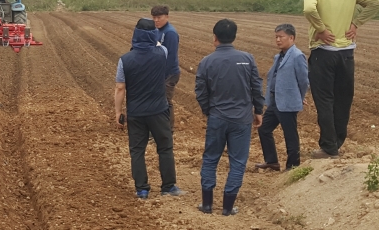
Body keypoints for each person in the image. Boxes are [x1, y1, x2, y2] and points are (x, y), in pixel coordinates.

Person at [301, 0, 379, 159]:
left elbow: (309, 10)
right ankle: (337, 142)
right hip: (347, 54)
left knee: (325, 100)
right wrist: (356, 24)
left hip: (324, 52)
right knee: (343, 99)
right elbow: (375, 3)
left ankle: (329, 147)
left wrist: (321, 29)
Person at [195, 19, 264, 216]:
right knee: (238, 162)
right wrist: (258, 110)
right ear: (234, 36)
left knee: (210, 159)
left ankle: (207, 205)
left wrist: (208, 111)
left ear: (214, 37)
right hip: (242, 119)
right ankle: (227, 207)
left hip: (217, 117)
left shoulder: (206, 61)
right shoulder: (247, 59)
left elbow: (201, 91)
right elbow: (256, 87)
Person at [114, 18, 186, 199]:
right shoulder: (162, 52)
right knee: (165, 147)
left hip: (136, 113)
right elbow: (160, 45)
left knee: (137, 150)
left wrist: (118, 112)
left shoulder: (124, 60)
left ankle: (142, 189)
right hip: (159, 110)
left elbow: (120, 88)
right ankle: (168, 187)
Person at [256, 24, 309, 172]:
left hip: (288, 102)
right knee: (264, 129)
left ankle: (293, 166)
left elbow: (304, 80)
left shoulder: (297, 56)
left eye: (281, 37)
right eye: (276, 37)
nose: (278, 40)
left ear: (291, 38)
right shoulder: (278, 56)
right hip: (275, 102)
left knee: (290, 134)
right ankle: (272, 161)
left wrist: (300, 96)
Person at [151, 5, 180, 130]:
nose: (156, 20)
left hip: (169, 73)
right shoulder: (157, 30)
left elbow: (171, 57)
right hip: (160, 72)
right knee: (159, 100)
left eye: (159, 17)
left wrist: (162, 75)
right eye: (154, 17)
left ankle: (168, 129)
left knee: (166, 101)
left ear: (167, 17)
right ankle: (159, 128)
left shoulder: (170, 33)